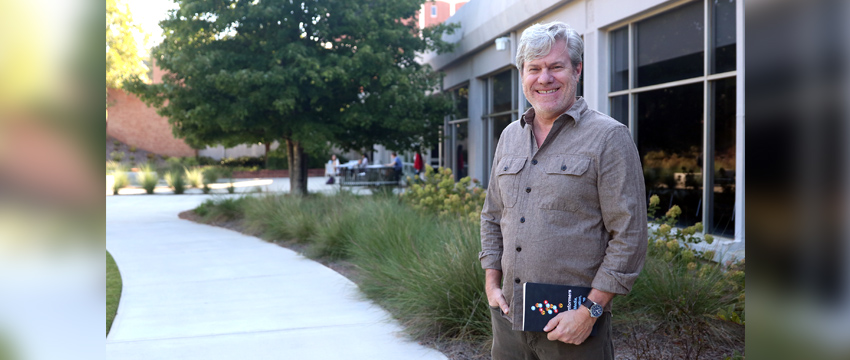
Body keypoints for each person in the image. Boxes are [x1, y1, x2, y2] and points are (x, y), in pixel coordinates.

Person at [479, 22, 647, 360]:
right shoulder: (509, 136)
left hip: (572, 328)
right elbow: (493, 215)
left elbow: (629, 234)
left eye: (556, 66)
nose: (545, 78)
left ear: (577, 69)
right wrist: (492, 282)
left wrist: (589, 312)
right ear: (522, 74)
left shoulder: (609, 138)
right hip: (508, 319)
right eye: (534, 68)